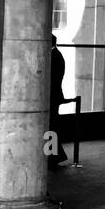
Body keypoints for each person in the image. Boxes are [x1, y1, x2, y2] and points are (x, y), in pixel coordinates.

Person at [47, 36, 68, 167]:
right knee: (51, 127)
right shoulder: (56, 55)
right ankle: (54, 157)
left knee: (51, 127)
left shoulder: (54, 56)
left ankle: (53, 157)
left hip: (52, 96)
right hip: (54, 95)